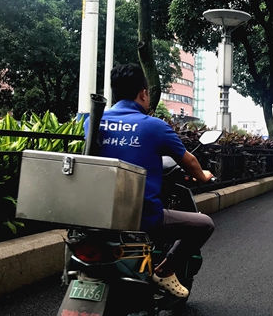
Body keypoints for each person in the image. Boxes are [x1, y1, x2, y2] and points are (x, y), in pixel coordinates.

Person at [84, 64, 215, 298]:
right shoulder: (155, 126)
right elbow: (190, 162)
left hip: (96, 214)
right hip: (141, 218)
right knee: (204, 224)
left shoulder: (92, 122)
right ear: (143, 94)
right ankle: (165, 270)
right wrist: (203, 176)